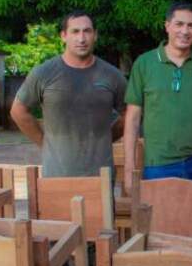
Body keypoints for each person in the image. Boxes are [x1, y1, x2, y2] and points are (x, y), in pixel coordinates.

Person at [11, 10, 127, 177]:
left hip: (100, 176)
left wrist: (107, 137)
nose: (81, 38)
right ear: (63, 36)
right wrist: (45, 143)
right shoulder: (44, 73)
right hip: (57, 174)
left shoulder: (112, 75)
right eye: (75, 31)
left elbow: (130, 113)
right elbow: (18, 111)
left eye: (87, 31)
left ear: (95, 35)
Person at [123, 2, 192, 190]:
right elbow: (133, 117)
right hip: (158, 164)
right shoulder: (145, 63)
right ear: (167, 26)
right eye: (179, 24)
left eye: (191, 25)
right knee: (160, 219)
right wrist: (129, 168)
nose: (185, 31)